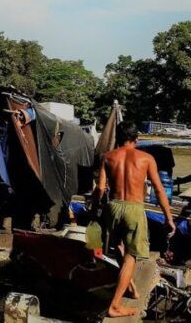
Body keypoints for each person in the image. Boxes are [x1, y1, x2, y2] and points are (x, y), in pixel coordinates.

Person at [94, 121, 176, 318]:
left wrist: (94, 210)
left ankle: (130, 286)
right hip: (134, 208)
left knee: (120, 248)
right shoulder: (146, 158)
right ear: (136, 139)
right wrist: (168, 218)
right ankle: (115, 305)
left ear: (119, 138)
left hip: (113, 207)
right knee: (132, 255)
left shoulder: (107, 157)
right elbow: (158, 189)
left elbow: (101, 188)